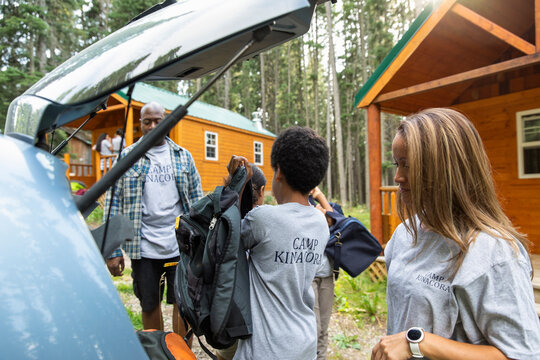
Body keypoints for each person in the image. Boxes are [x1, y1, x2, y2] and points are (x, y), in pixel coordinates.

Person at [371, 108, 540, 360]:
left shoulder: (492, 252)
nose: (397, 177)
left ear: (443, 168)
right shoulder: (405, 235)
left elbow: (522, 355)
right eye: (397, 164)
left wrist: (418, 343)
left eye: (407, 165)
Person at [104, 101, 203, 340]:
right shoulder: (127, 157)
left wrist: (203, 244)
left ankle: (180, 355)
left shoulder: (183, 157)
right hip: (143, 247)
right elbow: (112, 203)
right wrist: (112, 250)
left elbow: (198, 201)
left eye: (158, 120)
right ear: (141, 125)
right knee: (149, 305)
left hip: (180, 246)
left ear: (167, 121)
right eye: (147, 121)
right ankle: (158, 352)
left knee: (184, 305)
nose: (153, 125)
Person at [229, 126, 330, 360]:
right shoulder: (319, 222)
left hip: (264, 348)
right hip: (304, 342)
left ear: (279, 172)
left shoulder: (262, 219)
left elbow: (226, 236)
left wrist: (236, 183)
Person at [215, 163, 267, 360]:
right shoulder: (260, 221)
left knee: (225, 353)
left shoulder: (222, 216)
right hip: (251, 314)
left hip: (223, 307)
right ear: (261, 191)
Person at [310, 186, 335, 360]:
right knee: (314, 326)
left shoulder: (328, 208)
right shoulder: (303, 208)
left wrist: (320, 196)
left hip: (327, 276)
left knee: (323, 327)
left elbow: (335, 220)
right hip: (309, 277)